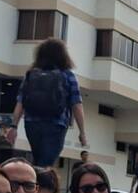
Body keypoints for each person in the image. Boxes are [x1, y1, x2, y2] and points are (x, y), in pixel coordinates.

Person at [8, 38, 87, 167]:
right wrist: (82, 132)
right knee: (45, 165)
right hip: (56, 124)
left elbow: (20, 101)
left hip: (31, 123)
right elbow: (76, 104)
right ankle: (38, 185)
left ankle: (35, 183)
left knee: (38, 160)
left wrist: (14, 126)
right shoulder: (68, 75)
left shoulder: (31, 75)